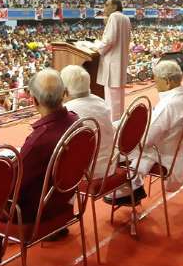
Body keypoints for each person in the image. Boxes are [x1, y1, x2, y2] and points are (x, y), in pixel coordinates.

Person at [105, 60, 183, 205]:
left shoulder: (169, 105)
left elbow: (146, 140)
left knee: (114, 149)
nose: (154, 84)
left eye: (156, 80)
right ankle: (134, 186)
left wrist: (123, 133)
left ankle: (127, 190)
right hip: (178, 147)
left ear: (167, 81)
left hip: (163, 153)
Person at [16, 69, 78, 236]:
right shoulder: (78, 122)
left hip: (36, 210)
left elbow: (15, 185)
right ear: (65, 93)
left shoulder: (38, 141)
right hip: (65, 198)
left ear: (34, 100)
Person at [61, 65, 115, 179]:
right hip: (110, 164)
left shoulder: (67, 111)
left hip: (85, 172)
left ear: (64, 90)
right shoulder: (100, 101)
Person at [95, 0, 131, 120]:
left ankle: (113, 128)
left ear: (115, 7)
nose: (104, 8)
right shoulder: (125, 18)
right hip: (120, 62)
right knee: (118, 99)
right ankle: (119, 124)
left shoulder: (114, 17)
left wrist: (97, 49)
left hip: (112, 63)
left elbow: (109, 40)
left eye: (106, 5)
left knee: (111, 101)